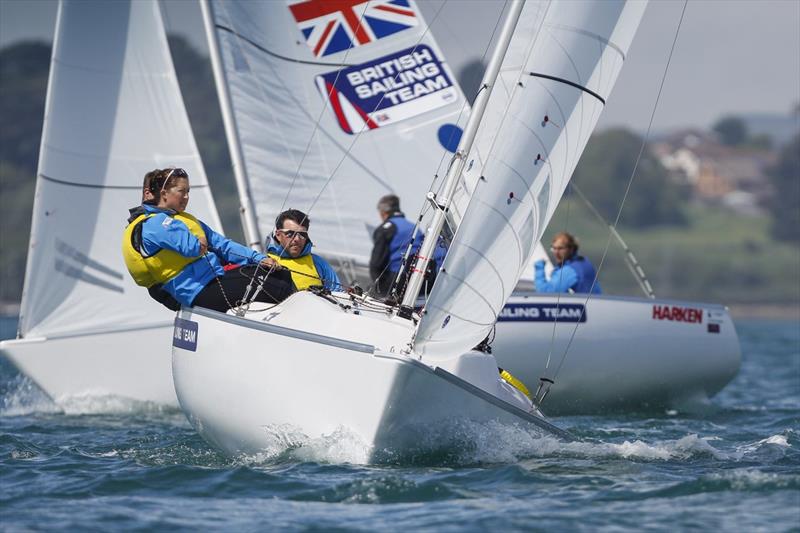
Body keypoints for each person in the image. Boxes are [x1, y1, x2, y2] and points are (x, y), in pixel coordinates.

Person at [122, 167, 295, 311]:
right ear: (164, 193)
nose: (186, 197)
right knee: (279, 287)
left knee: (281, 274)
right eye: (181, 191)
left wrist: (260, 258)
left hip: (212, 279)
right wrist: (201, 241)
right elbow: (193, 247)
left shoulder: (184, 220)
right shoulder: (153, 224)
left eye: (188, 191)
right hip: (197, 290)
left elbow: (223, 245)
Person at [369, 194, 444, 298]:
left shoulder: (386, 229)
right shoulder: (415, 227)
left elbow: (376, 263)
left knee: (370, 294)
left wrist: (378, 288)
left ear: (383, 212)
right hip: (419, 282)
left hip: (396, 282)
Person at [126, 170, 181, 311]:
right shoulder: (151, 226)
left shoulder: (164, 221)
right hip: (177, 290)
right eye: (164, 192)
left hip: (172, 291)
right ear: (147, 193)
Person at [265, 209, 341, 291]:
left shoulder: (318, 263)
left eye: (302, 234)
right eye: (290, 234)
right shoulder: (265, 262)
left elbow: (338, 293)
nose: (297, 239)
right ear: (278, 235)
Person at [534, 232, 602, 294]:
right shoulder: (584, 262)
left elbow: (546, 293)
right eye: (554, 248)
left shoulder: (571, 270)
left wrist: (539, 268)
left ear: (571, 249)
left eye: (560, 248)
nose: (556, 253)